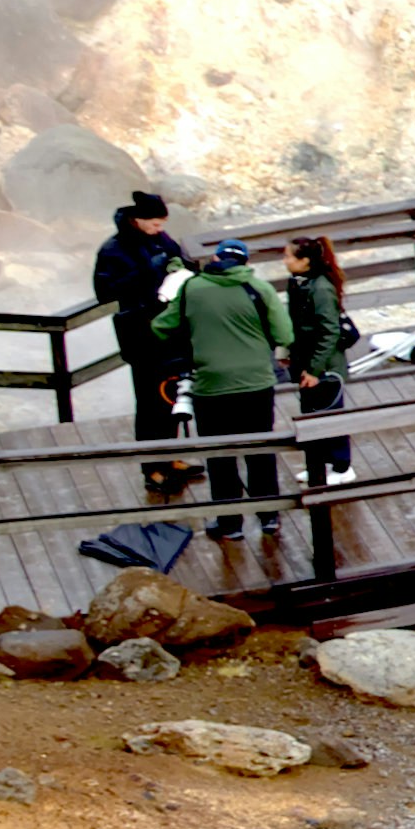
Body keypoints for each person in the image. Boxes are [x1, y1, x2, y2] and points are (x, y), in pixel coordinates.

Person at [167, 235, 296, 572]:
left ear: (216, 259)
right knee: (261, 450)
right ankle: (269, 516)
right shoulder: (259, 288)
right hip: (256, 384)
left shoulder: (192, 288)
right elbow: (285, 335)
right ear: (245, 262)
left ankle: (230, 524)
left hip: (211, 386)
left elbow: (162, 326)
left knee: (220, 455)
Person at [92, 189, 190, 496]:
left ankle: (170, 455)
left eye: (163, 223)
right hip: (139, 333)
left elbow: (179, 259)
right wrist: (148, 270)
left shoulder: (160, 239)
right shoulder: (113, 249)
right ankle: (152, 468)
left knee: (171, 395)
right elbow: (105, 291)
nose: (160, 228)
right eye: (155, 223)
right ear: (138, 220)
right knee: (149, 402)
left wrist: (180, 268)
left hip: (169, 330)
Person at [284, 234, 359, 491]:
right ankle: (316, 464)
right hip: (305, 359)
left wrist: (315, 370)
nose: (285, 261)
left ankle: (342, 467)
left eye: (288, 256)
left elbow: (329, 333)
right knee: (310, 414)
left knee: (330, 415)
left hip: (326, 367)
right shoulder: (297, 283)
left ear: (305, 260)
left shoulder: (321, 289)